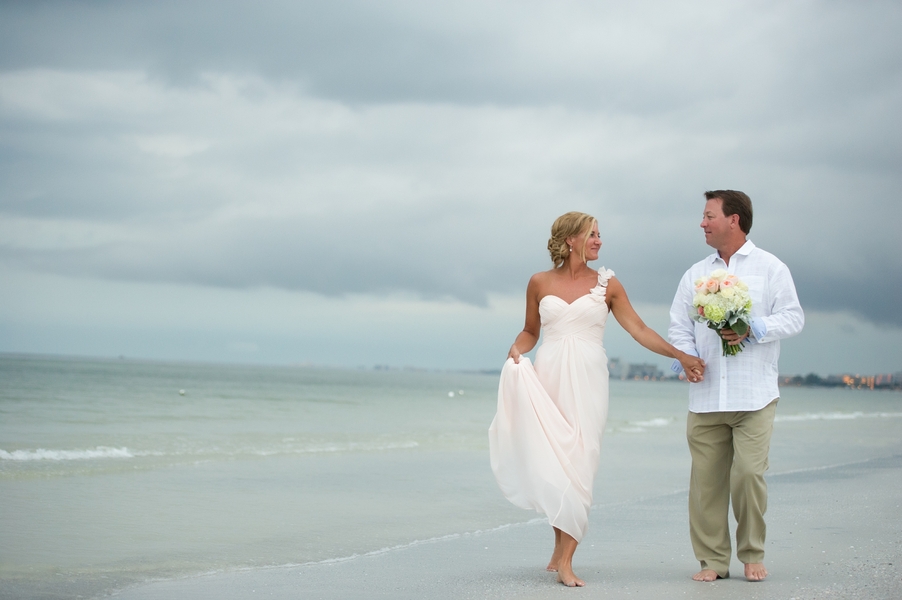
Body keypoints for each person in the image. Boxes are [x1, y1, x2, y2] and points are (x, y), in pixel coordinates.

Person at [489, 211, 706, 587]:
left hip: (589, 379)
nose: (599, 240)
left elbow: (638, 328)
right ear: (570, 239)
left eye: (599, 234)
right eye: (593, 234)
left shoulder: (607, 284)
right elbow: (529, 331)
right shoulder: (539, 282)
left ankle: (568, 560)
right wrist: (515, 350)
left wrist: (681, 356)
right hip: (549, 374)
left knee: (581, 461)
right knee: (555, 459)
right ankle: (559, 548)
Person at [668, 190, 804, 582]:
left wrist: (756, 328)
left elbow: (794, 318)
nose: (702, 222)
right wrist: (687, 359)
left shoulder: (771, 268)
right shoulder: (694, 274)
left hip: (755, 395)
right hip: (706, 395)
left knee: (747, 476)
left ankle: (752, 552)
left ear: (734, 220)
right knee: (705, 486)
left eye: (709, 215)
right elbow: (679, 324)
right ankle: (712, 561)